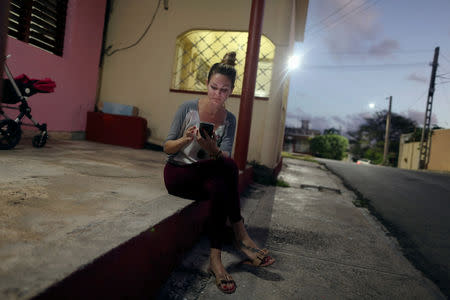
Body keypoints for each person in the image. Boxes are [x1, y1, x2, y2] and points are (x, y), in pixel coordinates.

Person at [163, 52, 275, 294]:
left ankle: (215, 259)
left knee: (220, 184)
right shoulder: (187, 108)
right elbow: (167, 148)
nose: (217, 94)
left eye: (224, 90)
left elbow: (223, 156)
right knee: (229, 169)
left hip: (207, 177)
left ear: (231, 91)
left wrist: (212, 149)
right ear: (206, 85)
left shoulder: (230, 120)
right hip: (178, 174)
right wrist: (185, 138)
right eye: (214, 87)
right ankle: (240, 234)